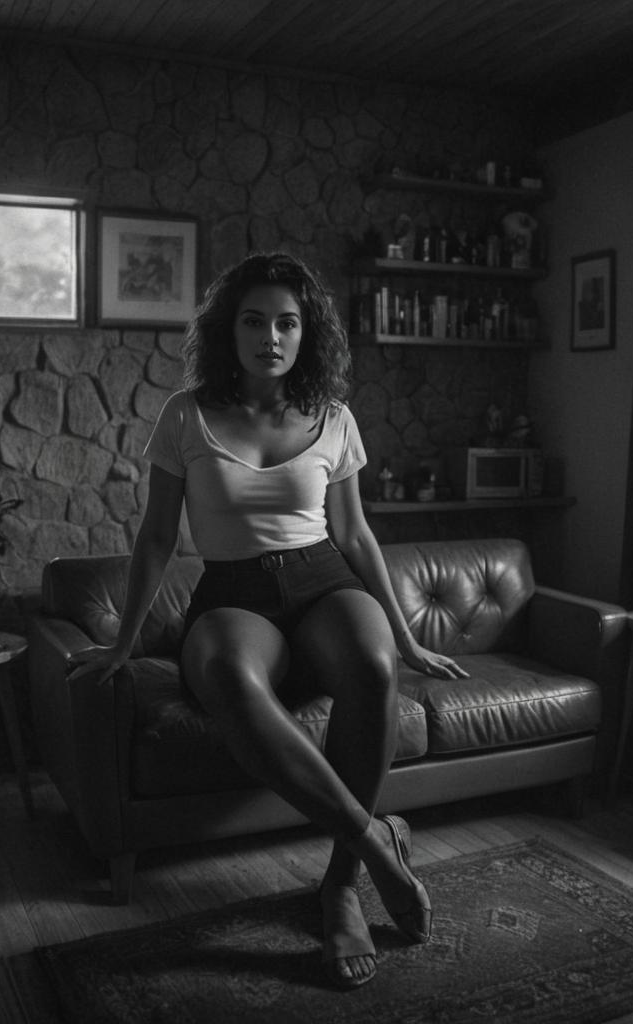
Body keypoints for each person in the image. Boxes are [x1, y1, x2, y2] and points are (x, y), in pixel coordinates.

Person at [73, 252, 467, 989]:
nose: (272, 337)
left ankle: (342, 883)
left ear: (305, 334)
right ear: (230, 330)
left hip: (324, 580)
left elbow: (355, 536)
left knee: (375, 666)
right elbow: (157, 537)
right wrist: (123, 643)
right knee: (224, 671)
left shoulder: (334, 418)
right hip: (232, 594)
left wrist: (408, 637)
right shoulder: (185, 414)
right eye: (255, 321)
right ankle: (377, 841)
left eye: (287, 322)